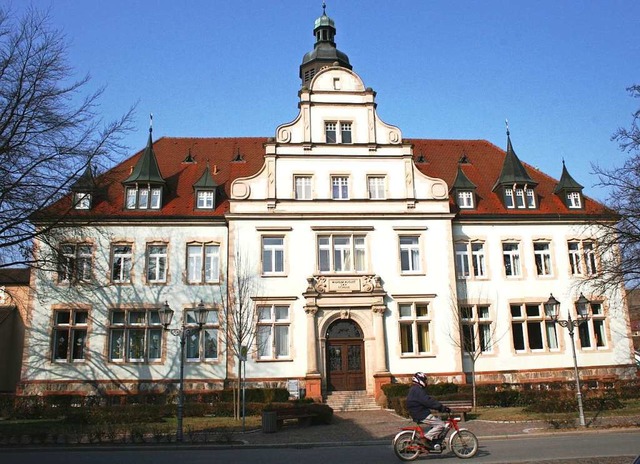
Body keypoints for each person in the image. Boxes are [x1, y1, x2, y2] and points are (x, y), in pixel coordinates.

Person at [406, 372, 451, 446]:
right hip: (421, 414)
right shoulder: (418, 390)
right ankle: (425, 439)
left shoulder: (414, 389)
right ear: (419, 380)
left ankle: (431, 440)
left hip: (417, 412)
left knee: (436, 421)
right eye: (424, 380)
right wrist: (441, 408)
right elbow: (428, 401)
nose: (425, 382)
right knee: (441, 425)